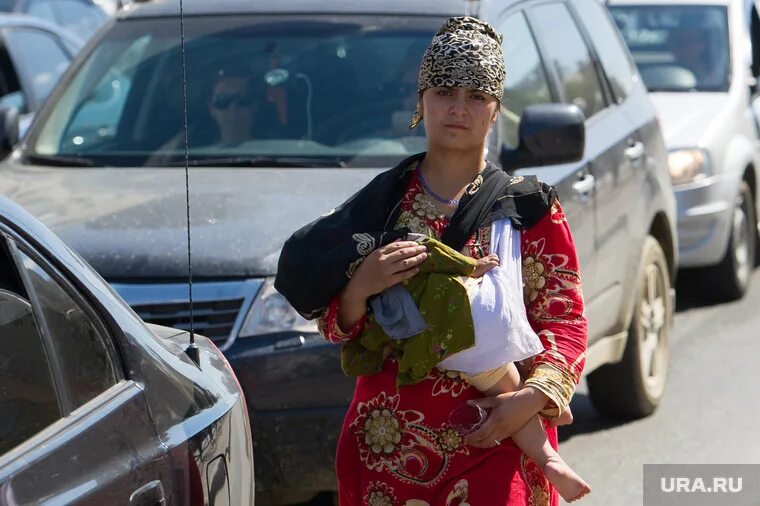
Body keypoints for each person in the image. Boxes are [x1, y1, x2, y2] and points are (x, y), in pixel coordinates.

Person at [276, 16, 589, 505]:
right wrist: (361, 286)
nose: (458, 108)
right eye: (444, 91)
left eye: (475, 95)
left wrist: (524, 403)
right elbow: (337, 329)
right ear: (420, 102)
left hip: (498, 437)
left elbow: (564, 322)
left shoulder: (529, 208)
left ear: (495, 110)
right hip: (388, 449)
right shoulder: (381, 205)